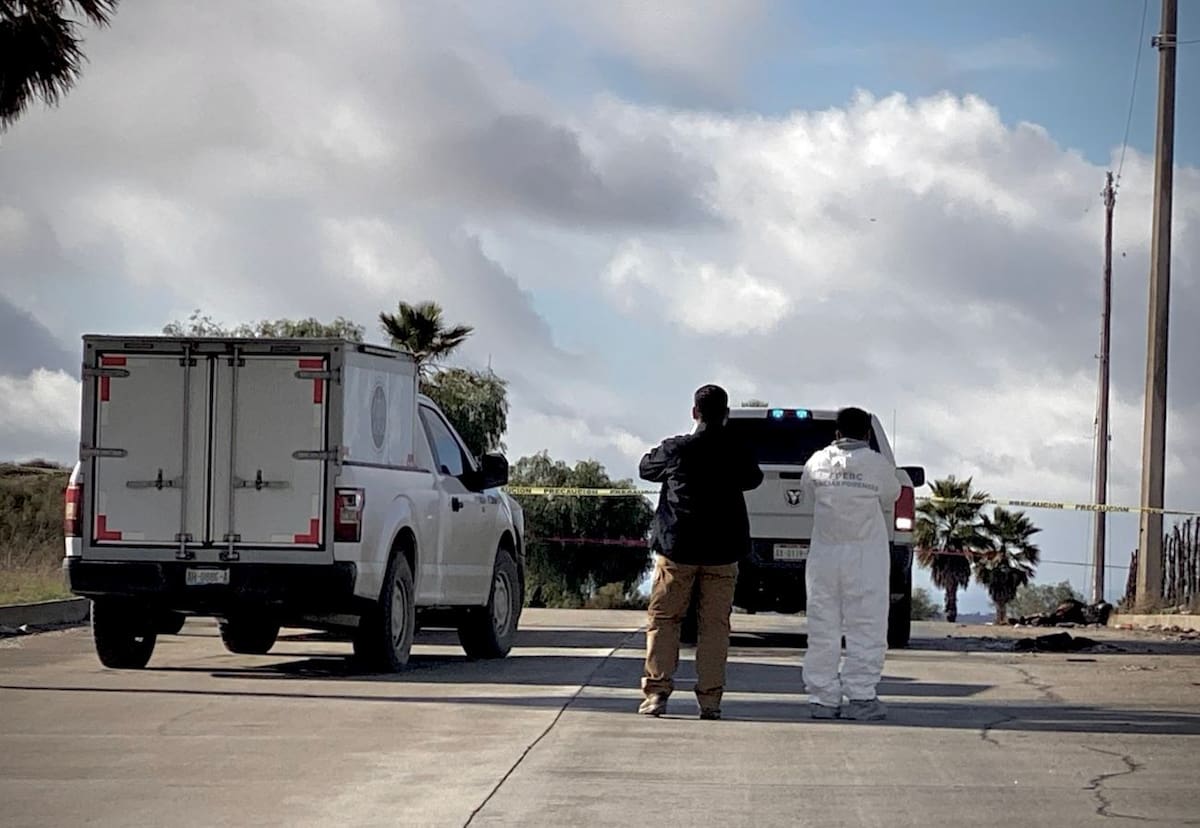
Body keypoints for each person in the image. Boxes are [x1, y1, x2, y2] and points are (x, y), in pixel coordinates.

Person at [637, 384, 764, 720]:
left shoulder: (677, 448)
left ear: (695, 412)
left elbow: (646, 468)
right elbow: (754, 478)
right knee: (715, 626)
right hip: (723, 552)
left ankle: (656, 693)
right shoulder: (737, 450)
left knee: (665, 620)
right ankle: (710, 700)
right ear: (726, 414)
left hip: (677, 548)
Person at [800, 406, 902, 721]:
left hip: (825, 556)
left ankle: (823, 699)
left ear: (837, 432)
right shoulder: (878, 465)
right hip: (865, 557)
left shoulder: (817, 462)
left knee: (822, 627)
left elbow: (807, 494)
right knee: (867, 625)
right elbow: (891, 495)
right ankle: (861, 697)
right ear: (868, 433)